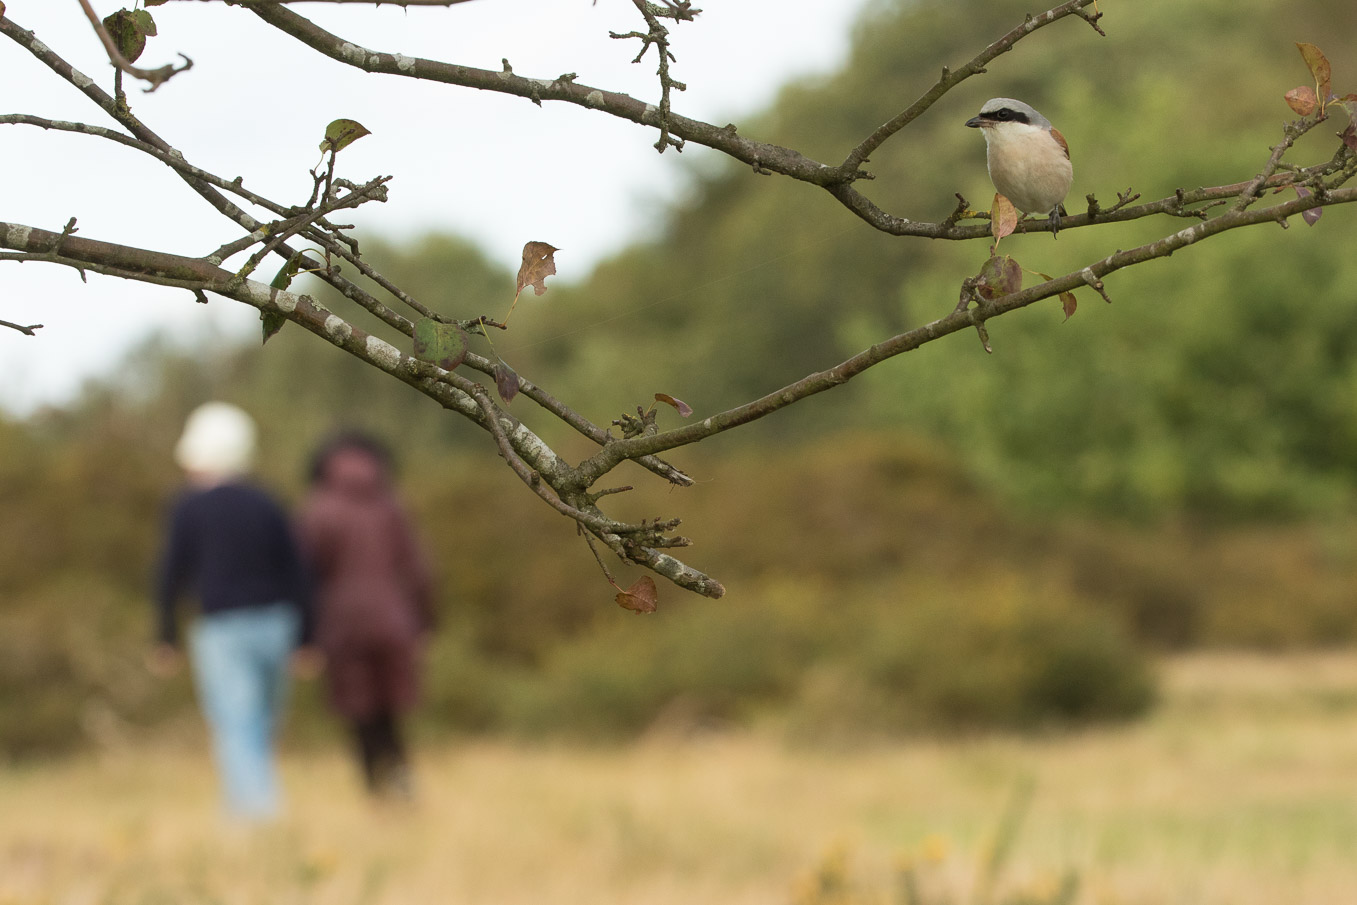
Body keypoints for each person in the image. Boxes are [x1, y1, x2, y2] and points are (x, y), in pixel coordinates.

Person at [153, 402, 314, 821]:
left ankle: (261, 818)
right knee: (261, 725)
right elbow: (297, 571)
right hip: (278, 625)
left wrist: (165, 635)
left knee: (236, 725)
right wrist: (307, 638)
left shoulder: (188, 507)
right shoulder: (268, 502)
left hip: (222, 630)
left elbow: (170, 574)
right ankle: (238, 816)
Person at [298, 431, 435, 800]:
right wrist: (425, 623)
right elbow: (419, 572)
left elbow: (305, 578)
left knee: (358, 711)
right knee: (390, 709)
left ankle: (375, 792)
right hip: (395, 622)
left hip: (342, 627)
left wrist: (305, 636)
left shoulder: (318, 510)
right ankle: (401, 784)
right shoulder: (391, 506)